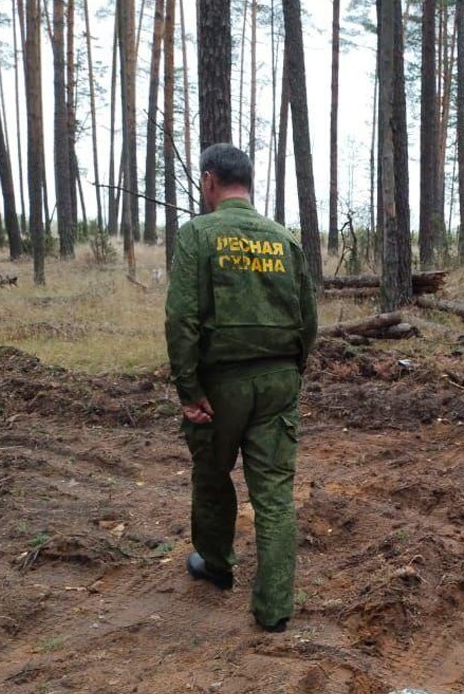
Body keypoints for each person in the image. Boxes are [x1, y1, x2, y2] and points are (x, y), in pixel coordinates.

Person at [165, 143, 318, 633]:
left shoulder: (197, 235)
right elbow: (308, 319)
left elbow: (181, 319)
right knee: (274, 495)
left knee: (212, 475)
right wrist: (291, 373)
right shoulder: (283, 238)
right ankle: (274, 610)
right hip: (278, 380)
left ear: (210, 181)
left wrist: (189, 390)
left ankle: (216, 564)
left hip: (220, 385)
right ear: (247, 184)